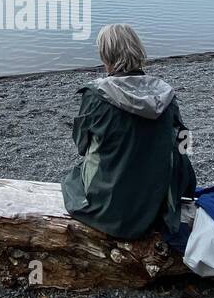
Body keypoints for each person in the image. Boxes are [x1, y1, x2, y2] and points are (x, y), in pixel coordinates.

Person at [61, 24, 196, 239]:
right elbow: (185, 143)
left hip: (111, 208)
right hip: (157, 201)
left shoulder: (96, 95)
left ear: (105, 55)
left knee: (73, 177)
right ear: (138, 50)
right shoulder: (165, 94)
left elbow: (82, 145)